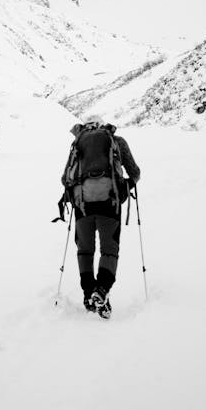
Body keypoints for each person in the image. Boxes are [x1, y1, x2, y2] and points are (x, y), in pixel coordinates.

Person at [60, 113, 141, 317]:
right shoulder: (116, 141)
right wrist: (126, 186)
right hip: (109, 204)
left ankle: (89, 293)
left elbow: (65, 179)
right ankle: (102, 290)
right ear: (102, 125)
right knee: (109, 250)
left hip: (83, 206)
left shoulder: (77, 143)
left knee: (85, 251)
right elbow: (135, 172)